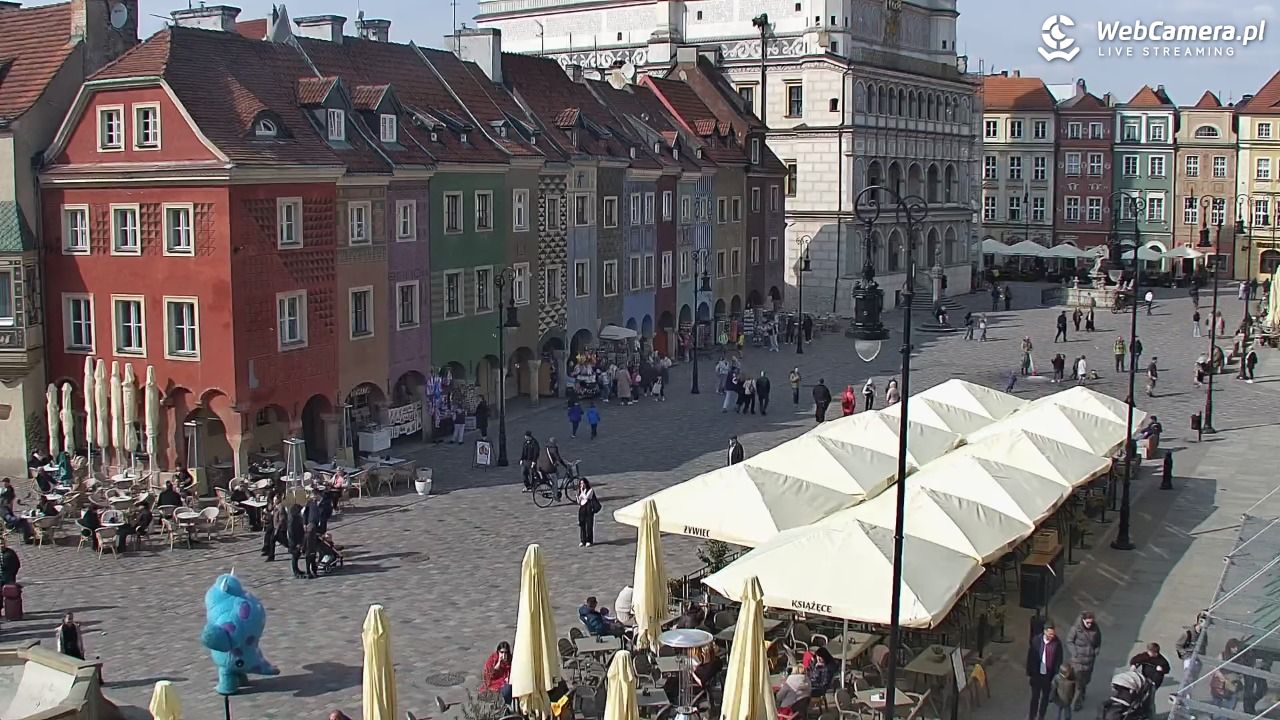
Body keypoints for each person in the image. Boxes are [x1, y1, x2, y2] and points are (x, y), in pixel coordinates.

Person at [1027, 622, 1064, 720]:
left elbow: (1059, 660)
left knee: (1045, 698)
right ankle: (1032, 716)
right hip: (1037, 675)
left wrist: (1055, 674)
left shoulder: (1057, 643)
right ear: (1045, 632)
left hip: (1048, 676)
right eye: (1050, 634)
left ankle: (1041, 716)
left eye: (1053, 634)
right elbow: (1030, 657)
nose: (1052, 636)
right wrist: (1029, 672)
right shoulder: (1036, 640)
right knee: (1035, 698)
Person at [1066, 611, 1102, 710]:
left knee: (1085, 680)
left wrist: (1096, 650)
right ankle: (1075, 703)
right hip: (1078, 661)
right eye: (1088, 622)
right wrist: (1074, 653)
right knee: (1078, 683)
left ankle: (1081, 693)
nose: (1089, 624)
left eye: (1091, 622)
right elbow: (1069, 641)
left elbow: (1098, 640)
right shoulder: (1076, 629)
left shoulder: (1095, 628)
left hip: (1089, 660)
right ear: (1083, 620)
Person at [577, 477, 600, 547]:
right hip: (582, 508)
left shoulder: (590, 490)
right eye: (581, 484)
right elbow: (579, 501)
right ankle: (582, 540)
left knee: (589, 525)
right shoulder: (581, 491)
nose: (582, 485)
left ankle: (589, 540)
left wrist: (582, 492)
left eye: (583, 483)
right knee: (582, 525)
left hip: (589, 508)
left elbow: (586, 497)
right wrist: (578, 498)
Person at [287, 503, 306, 579]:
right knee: (295, 556)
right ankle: (295, 572)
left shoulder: (297, 517)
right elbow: (292, 533)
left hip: (298, 540)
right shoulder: (292, 520)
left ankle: (297, 570)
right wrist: (296, 543)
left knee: (297, 556)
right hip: (294, 542)